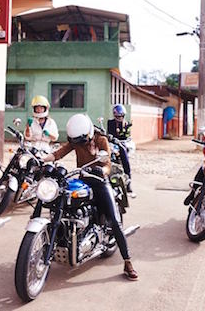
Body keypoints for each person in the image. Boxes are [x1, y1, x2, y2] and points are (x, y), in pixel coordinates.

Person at [44, 113, 138, 281]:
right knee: (60, 201)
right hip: (82, 179)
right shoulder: (75, 140)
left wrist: (103, 171)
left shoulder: (101, 139)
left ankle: (127, 261)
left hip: (100, 180)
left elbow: (107, 162)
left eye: (80, 141)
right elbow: (59, 153)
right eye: (75, 142)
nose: (77, 144)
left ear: (88, 133)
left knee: (115, 221)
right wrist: (42, 160)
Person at [107, 104, 134, 194]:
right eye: (118, 116)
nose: (120, 117)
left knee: (125, 160)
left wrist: (126, 129)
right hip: (112, 144)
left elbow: (126, 136)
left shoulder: (126, 124)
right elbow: (110, 133)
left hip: (122, 144)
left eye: (121, 116)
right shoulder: (110, 122)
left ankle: (128, 182)